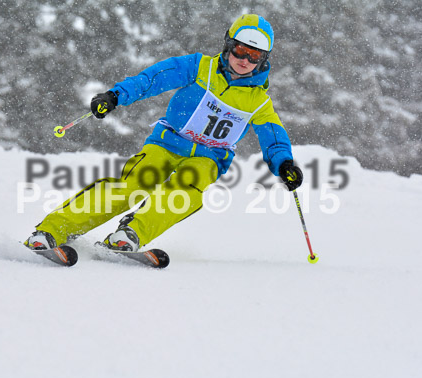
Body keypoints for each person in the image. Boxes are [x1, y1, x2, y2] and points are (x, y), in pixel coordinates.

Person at [24, 14, 303, 252]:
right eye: (240, 50)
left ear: (263, 60)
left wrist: (285, 163)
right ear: (229, 46)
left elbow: (273, 136)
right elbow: (154, 79)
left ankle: (130, 235)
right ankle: (51, 231)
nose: (244, 60)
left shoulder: (259, 101)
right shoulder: (199, 67)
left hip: (208, 158)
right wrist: (115, 96)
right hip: (167, 143)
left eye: (254, 56)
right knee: (134, 185)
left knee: (185, 190)